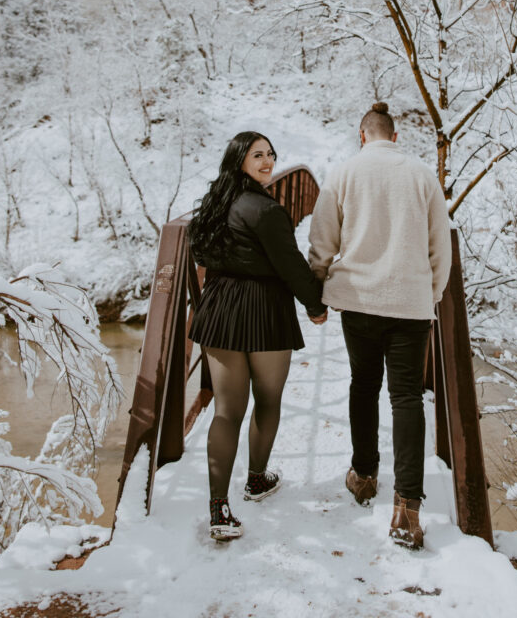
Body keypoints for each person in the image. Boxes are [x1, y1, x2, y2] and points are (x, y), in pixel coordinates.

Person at [308, 102, 451, 550]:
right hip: (409, 303)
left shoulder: (344, 172)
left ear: (362, 133)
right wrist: (433, 293)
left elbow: (322, 238)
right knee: (406, 397)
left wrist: (318, 285)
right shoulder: (422, 173)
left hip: (360, 301)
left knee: (364, 385)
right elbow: (439, 244)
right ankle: (407, 505)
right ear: (395, 136)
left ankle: (364, 475)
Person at [188, 131, 327, 542]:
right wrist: (315, 305)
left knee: (226, 411)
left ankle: (218, 507)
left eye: (271, 155)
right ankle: (255, 480)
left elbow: (201, 253)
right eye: (257, 155)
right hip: (264, 310)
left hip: (221, 309)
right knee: (267, 399)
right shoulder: (266, 210)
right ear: (239, 160)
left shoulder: (214, 204)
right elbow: (290, 263)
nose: (267, 162)